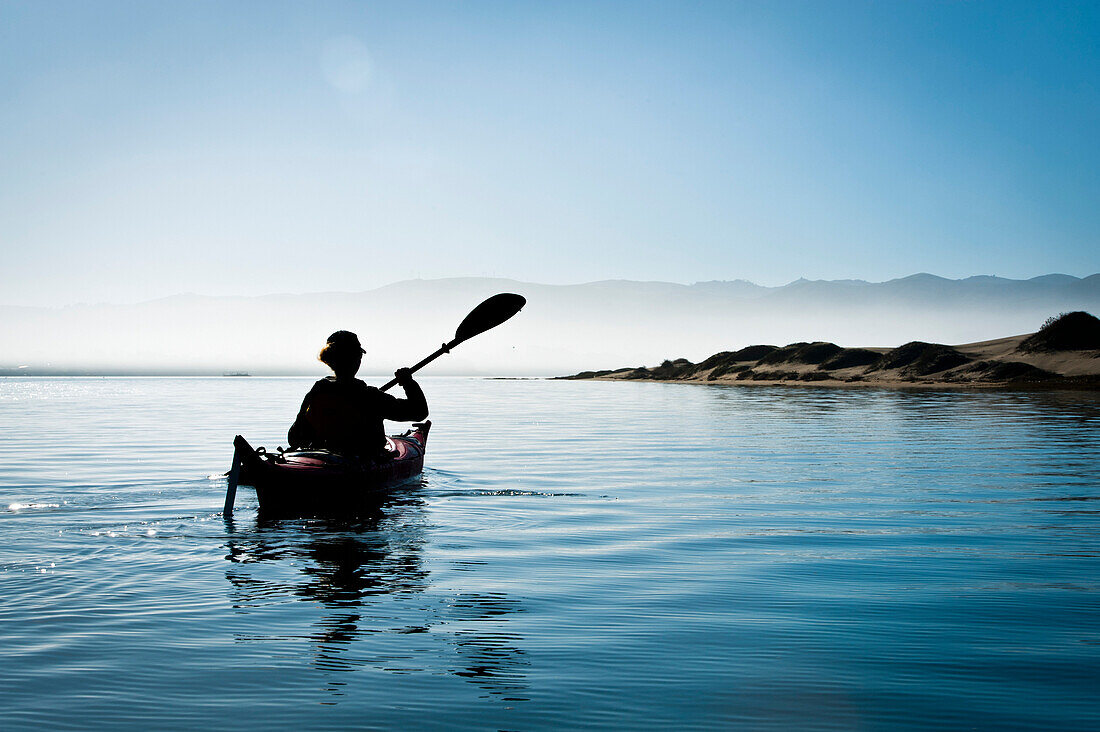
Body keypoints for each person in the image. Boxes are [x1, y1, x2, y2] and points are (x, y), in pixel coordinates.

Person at [288, 330, 428, 459]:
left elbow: (294, 438)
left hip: (324, 459)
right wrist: (408, 383)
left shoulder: (316, 393)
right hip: (363, 462)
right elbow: (419, 412)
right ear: (357, 360)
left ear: (329, 360)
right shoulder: (369, 397)